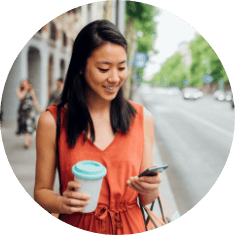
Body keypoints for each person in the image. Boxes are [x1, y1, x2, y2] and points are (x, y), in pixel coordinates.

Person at [34, 19, 161, 234]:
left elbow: (146, 200)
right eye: (104, 68)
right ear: (82, 67)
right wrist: (61, 203)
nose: (114, 78)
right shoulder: (52, 121)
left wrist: (152, 187)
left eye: (121, 67)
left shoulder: (142, 118)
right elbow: (41, 192)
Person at [16, 79, 41, 148]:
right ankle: (28, 139)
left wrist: (39, 110)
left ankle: (26, 142)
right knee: (24, 125)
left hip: (30, 111)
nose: (24, 84)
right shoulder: (19, 90)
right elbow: (21, 97)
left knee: (28, 124)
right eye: (23, 83)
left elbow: (35, 100)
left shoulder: (31, 91)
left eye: (25, 83)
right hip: (22, 111)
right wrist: (25, 90)